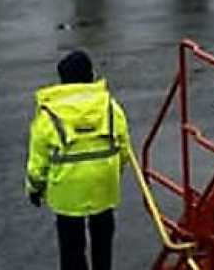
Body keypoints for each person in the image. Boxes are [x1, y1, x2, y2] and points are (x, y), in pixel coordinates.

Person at [26, 49, 130, 270]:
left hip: (67, 193)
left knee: (71, 248)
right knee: (103, 243)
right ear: (91, 75)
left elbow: (38, 163)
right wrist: (114, 172)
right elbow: (123, 149)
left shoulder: (48, 114)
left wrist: (34, 189)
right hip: (104, 187)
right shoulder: (110, 107)